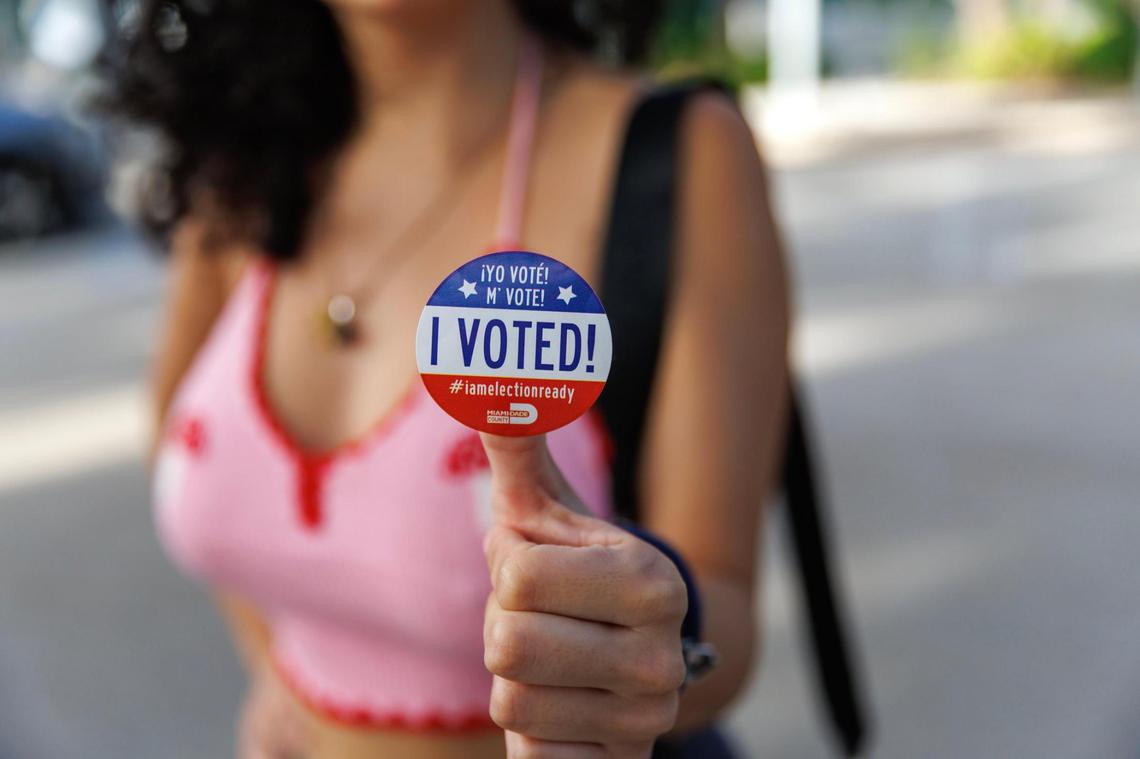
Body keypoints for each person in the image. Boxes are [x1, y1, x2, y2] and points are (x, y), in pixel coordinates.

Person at [100, 1, 789, 757]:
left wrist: (644, 658)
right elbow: (181, 449)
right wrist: (284, 665)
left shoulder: (679, 152)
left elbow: (722, 606)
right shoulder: (243, 172)